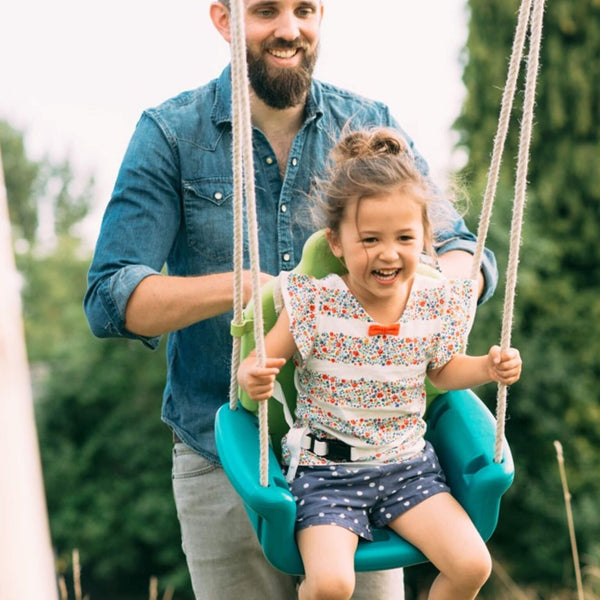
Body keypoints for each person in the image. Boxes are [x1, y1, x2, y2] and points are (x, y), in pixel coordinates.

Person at [84, 1, 498, 599]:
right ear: (224, 20)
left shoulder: (367, 123)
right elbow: (110, 296)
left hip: (371, 453)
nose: (288, 28)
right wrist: (249, 290)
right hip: (224, 456)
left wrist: (440, 298)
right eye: (266, 10)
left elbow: (460, 248)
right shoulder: (172, 134)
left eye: (304, 9)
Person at [237, 128, 522, 600]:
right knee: (331, 585)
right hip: (324, 472)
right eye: (369, 239)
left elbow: (442, 374)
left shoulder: (434, 304)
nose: (388, 253)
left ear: (426, 238)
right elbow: (261, 359)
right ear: (336, 242)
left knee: (472, 565)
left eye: (404, 237)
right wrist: (254, 374)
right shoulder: (315, 303)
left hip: (407, 467)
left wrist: (487, 368)